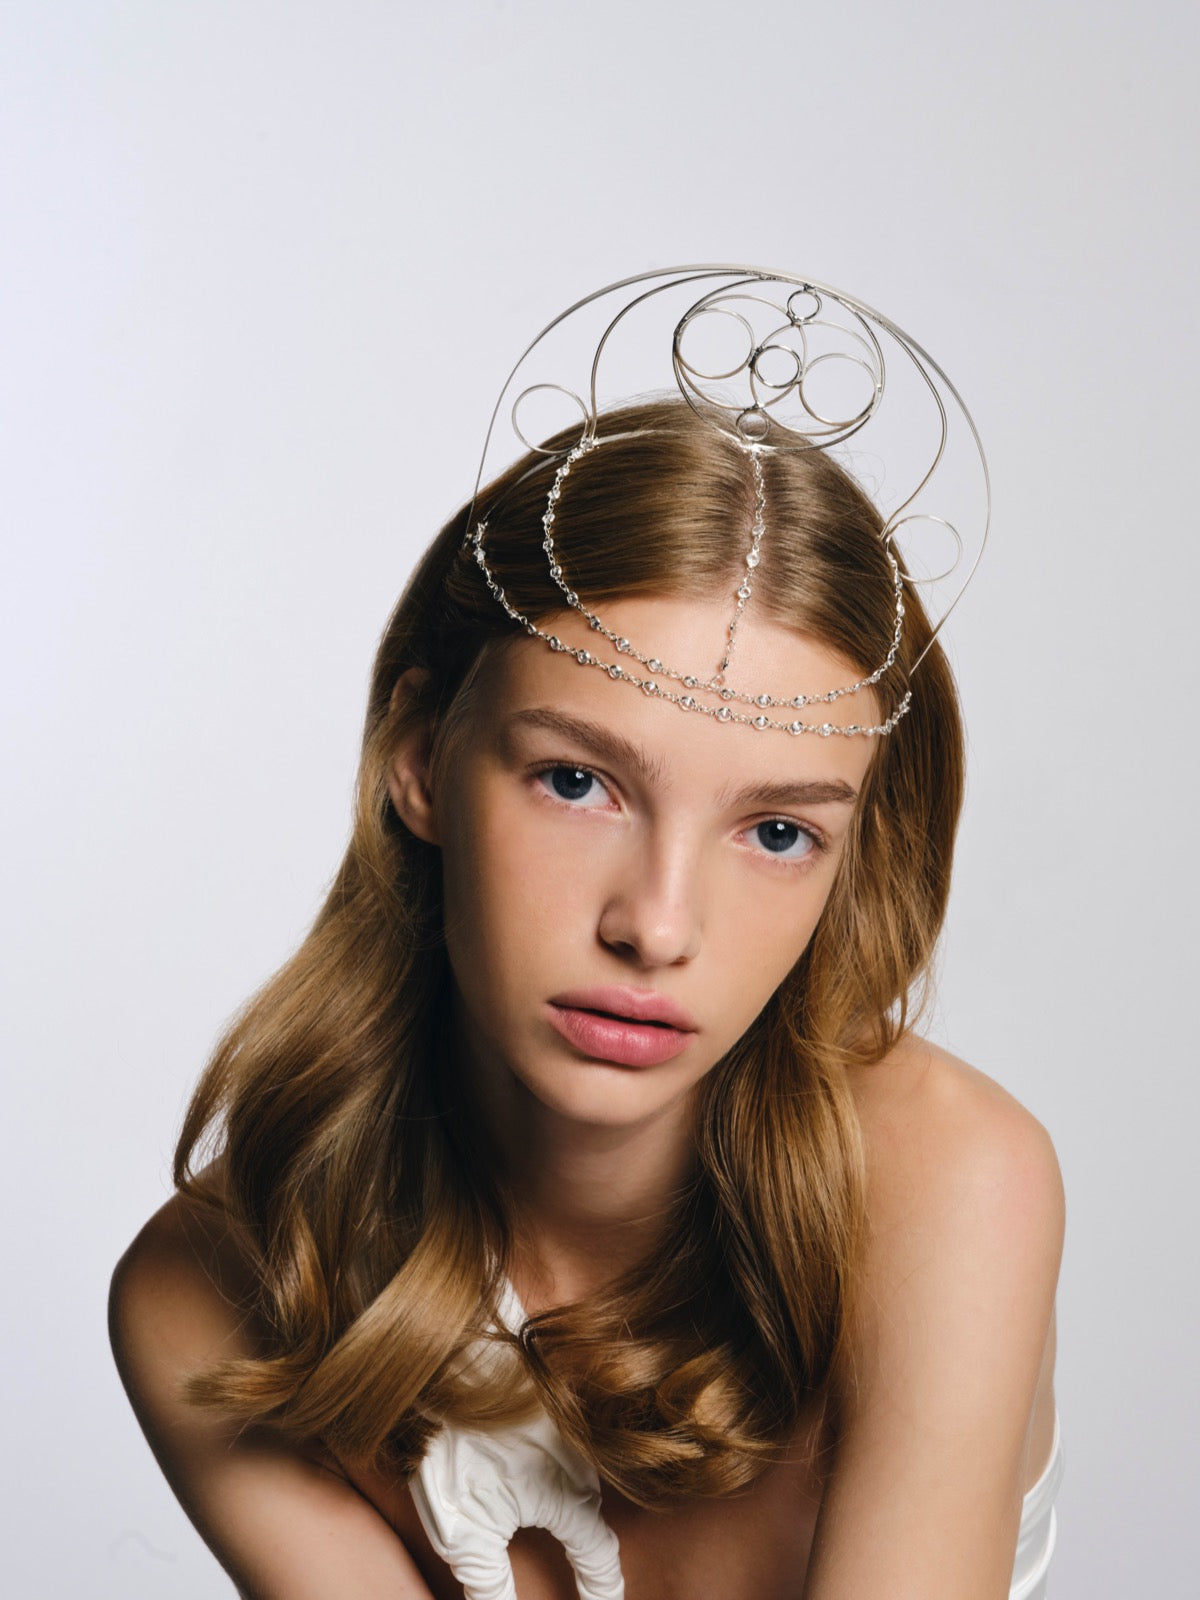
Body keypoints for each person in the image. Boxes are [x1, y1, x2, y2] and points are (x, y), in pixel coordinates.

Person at [109, 269, 1065, 1600]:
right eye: (576, 781)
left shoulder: (945, 1184)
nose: (658, 926)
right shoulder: (208, 1291)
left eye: (777, 831)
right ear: (421, 760)